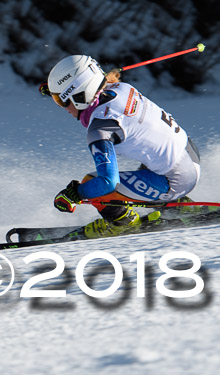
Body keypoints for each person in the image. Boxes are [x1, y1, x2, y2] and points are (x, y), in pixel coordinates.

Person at [43, 55, 201, 238]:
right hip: (189, 154)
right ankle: (176, 204)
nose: (63, 108)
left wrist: (74, 194)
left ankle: (123, 223)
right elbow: (95, 82)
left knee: (91, 182)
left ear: (80, 96)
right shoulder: (121, 88)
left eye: (62, 101)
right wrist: (57, 89)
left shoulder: (101, 128)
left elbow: (108, 182)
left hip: (177, 179)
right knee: (151, 157)